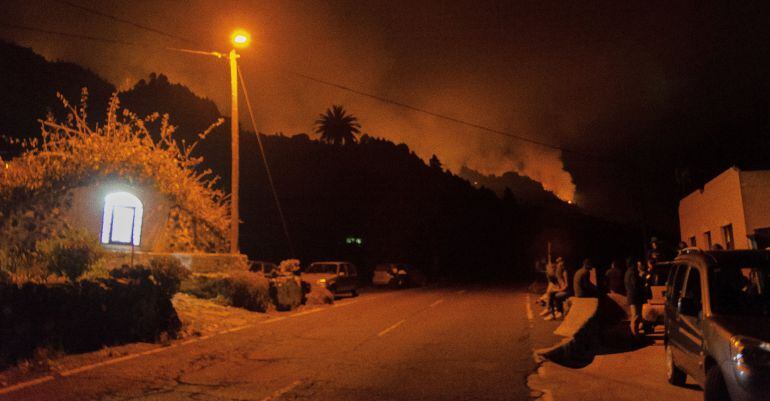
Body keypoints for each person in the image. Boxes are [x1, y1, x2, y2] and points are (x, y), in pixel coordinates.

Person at [625, 259, 646, 336]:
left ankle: (635, 332)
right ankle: (634, 334)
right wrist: (641, 278)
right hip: (635, 297)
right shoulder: (633, 273)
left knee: (635, 316)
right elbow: (635, 284)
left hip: (631, 296)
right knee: (635, 316)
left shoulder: (627, 272)